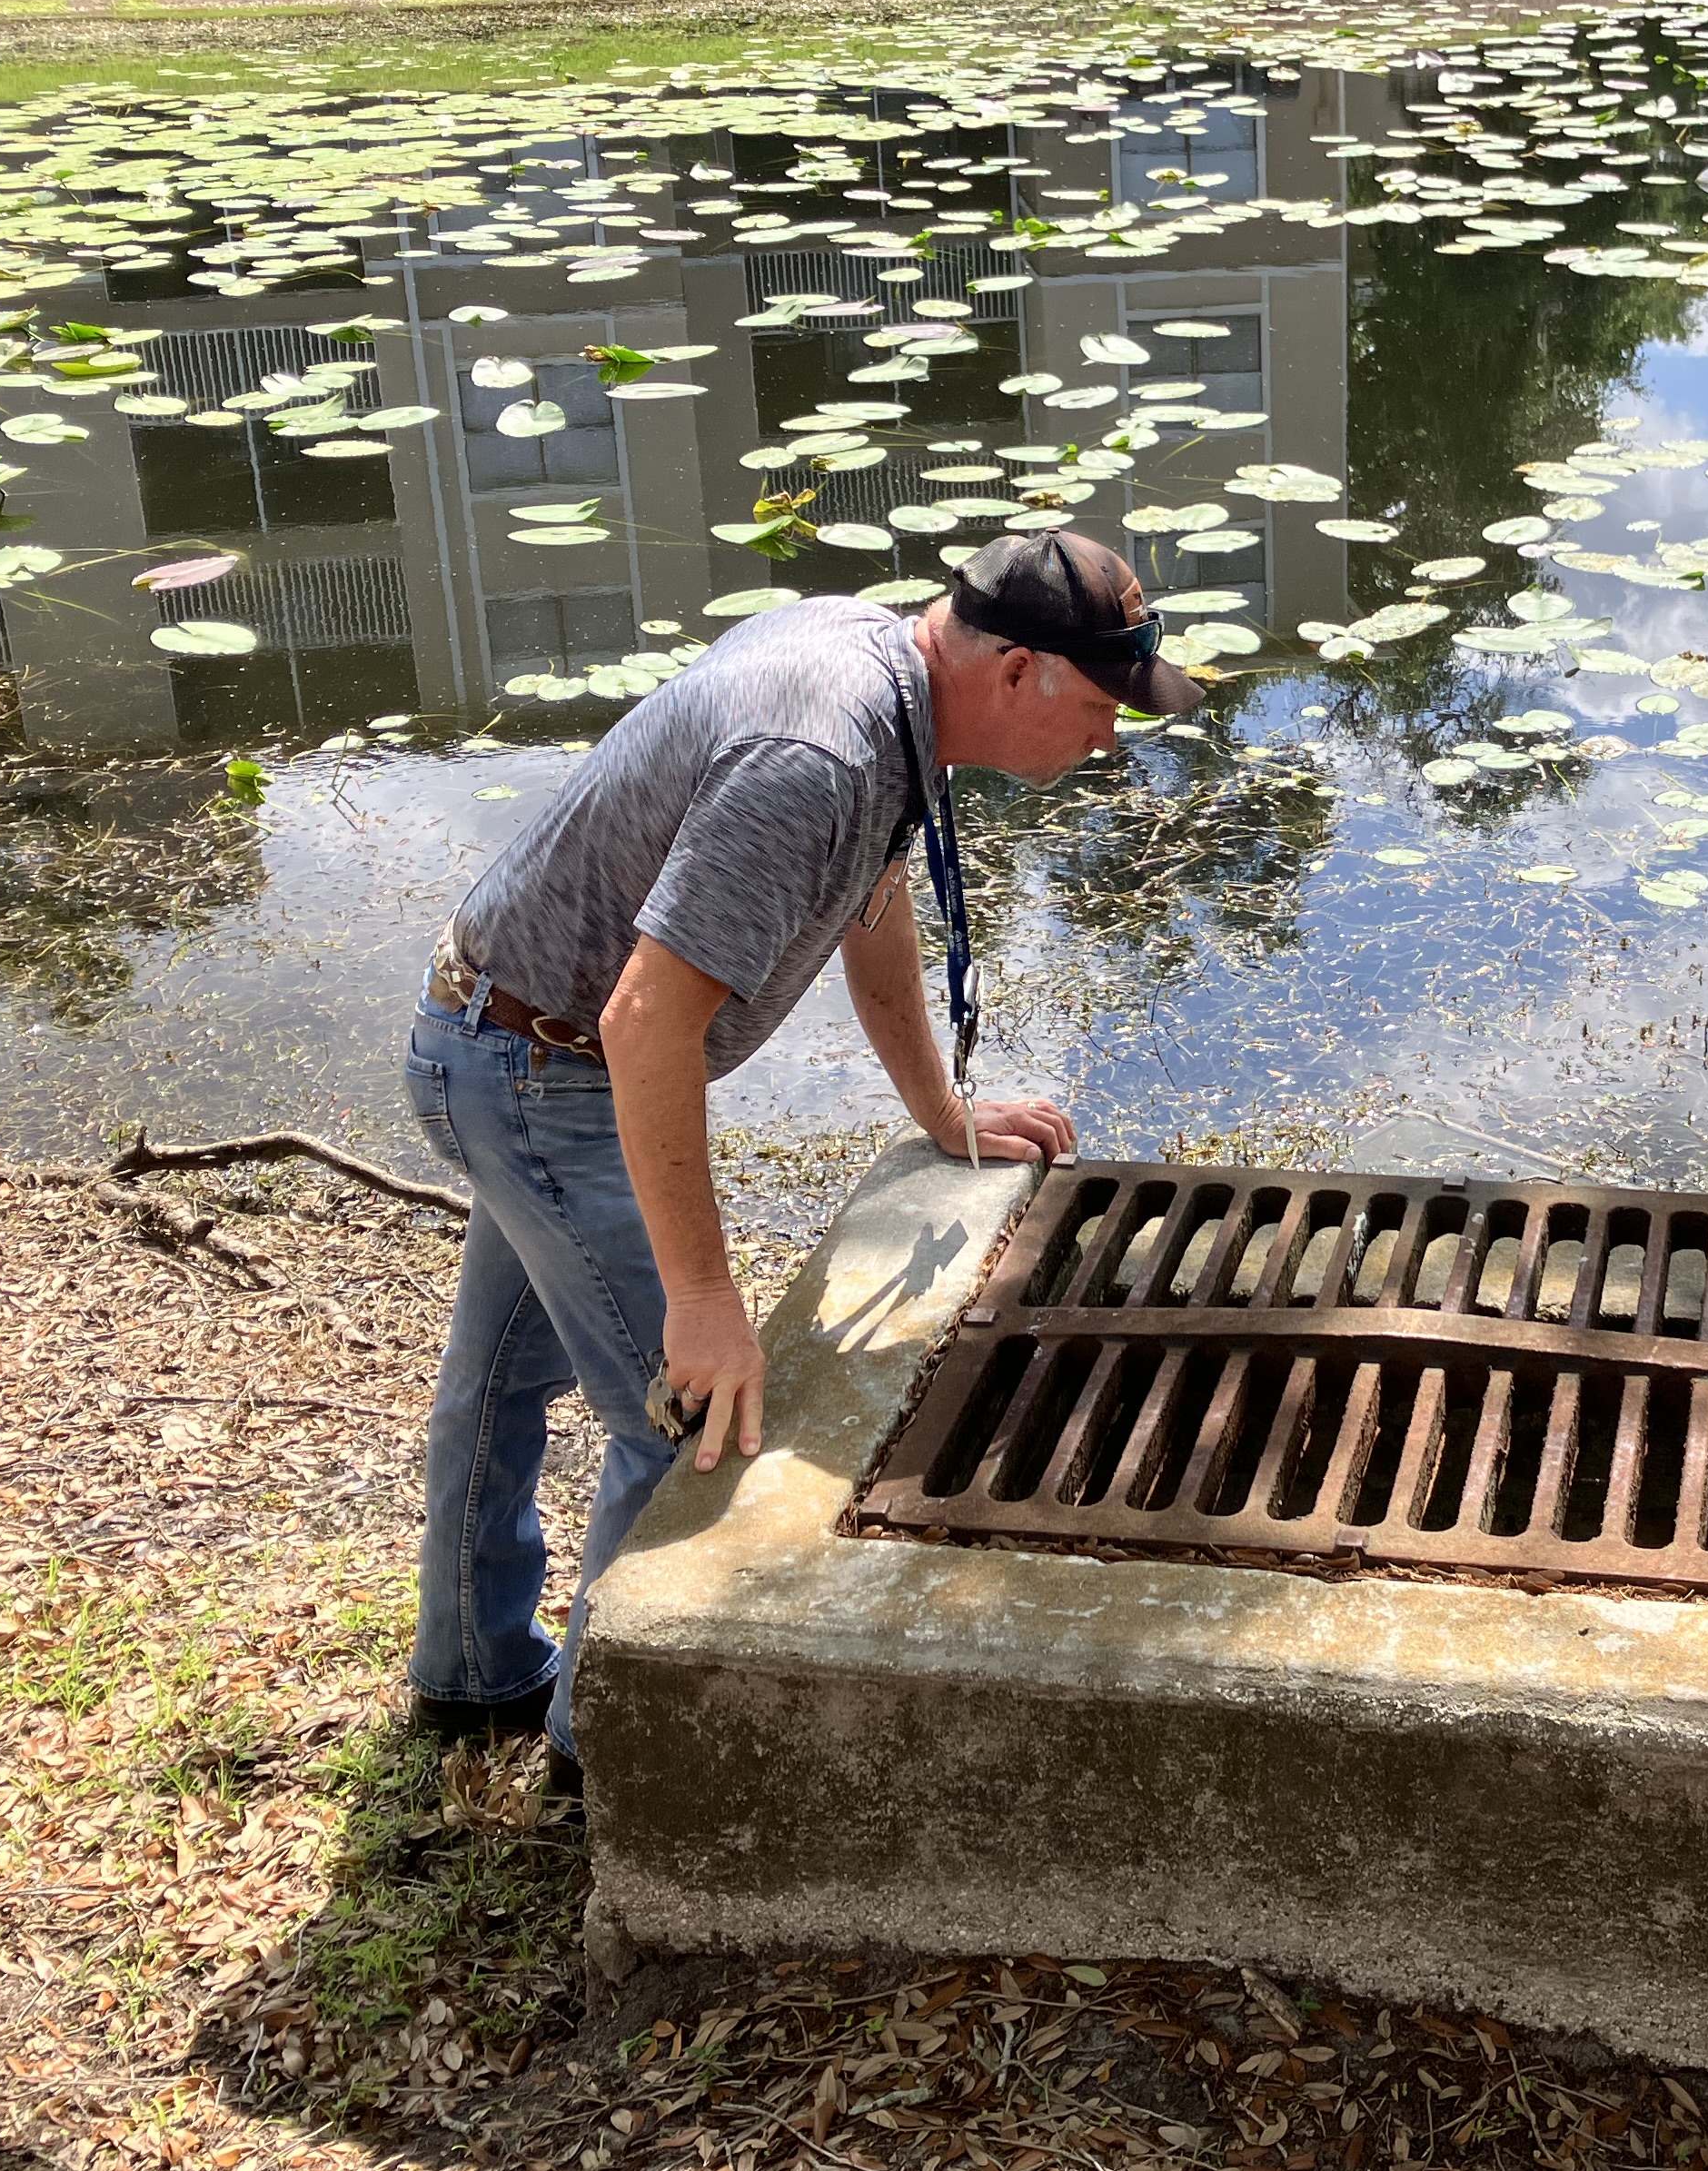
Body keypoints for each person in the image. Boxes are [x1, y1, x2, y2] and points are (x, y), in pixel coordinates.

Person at [401, 531, 1202, 1770]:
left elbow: (865, 910)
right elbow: (647, 1021)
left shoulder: (883, 679)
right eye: (1098, 708)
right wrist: (707, 1300)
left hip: (500, 1037)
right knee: (688, 1424)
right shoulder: (824, 756)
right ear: (1020, 673)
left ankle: (473, 1676)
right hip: (544, 1071)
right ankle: (603, 1761)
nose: (1106, 742)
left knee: (502, 1384)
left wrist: (942, 1112)